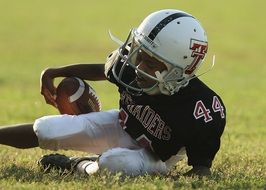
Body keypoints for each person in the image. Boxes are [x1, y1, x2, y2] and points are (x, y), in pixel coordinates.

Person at [0, 9, 226, 177]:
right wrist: (56, 72)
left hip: (158, 157)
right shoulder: (134, 64)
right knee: (47, 129)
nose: (138, 66)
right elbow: (102, 70)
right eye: (140, 55)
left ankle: (76, 164)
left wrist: (175, 178)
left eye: (151, 63)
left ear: (180, 71)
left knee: (113, 164)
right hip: (123, 125)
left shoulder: (200, 108)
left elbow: (201, 170)